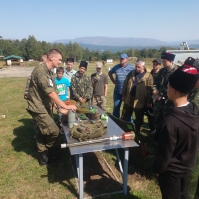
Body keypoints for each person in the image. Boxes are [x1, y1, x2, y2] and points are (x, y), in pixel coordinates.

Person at [153, 63, 199, 199]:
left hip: (171, 172)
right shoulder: (195, 111)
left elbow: (164, 154)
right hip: (189, 167)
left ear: (173, 91)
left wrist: (157, 170)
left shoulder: (171, 122)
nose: (166, 89)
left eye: (167, 87)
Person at [26, 49, 76, 166]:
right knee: (54, 131)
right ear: (51, 57)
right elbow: (50, 93)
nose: (60, 62)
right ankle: (47, 149)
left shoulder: (48, 72)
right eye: (59, 59)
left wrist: (59, 107)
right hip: (38, 107)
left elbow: (54, 91)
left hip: (45, 105)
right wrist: (65, 106)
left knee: (40, 131)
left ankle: (43, 157)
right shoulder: (41, 71)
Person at [121, 59, 153, 133]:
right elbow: (125, 84)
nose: (137, 68)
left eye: (139, 67)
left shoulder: (148, 76)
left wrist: (149, 101)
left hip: (140, 100)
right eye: (136, 66)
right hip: (129, 99)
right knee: (124, 116)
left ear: (143, 66)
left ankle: (137, 132)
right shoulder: (131, 73)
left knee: (139, 119)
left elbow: (150, 90)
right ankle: (123, 130)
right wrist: (124, 95)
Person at [153, 52, 177, 130]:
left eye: (165, 61)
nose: (163, 63)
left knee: (167, 119)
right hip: (159, 100)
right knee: (157, 116)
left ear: (171, 61)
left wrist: (160, 93)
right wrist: (155, 91)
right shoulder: (162, 71)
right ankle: (157, 133)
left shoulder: (176, 72)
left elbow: (175, 88)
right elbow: (155, 83)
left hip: (170, 100)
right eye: (162, 61)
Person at [108, 53, 135, 118]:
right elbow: (110, 73)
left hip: (127, 92)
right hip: (117, 91)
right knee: (116, 107)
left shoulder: (131, 67)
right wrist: (113, 81)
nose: (121, 60)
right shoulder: (116, 67)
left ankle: (128, 122)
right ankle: (116, 121)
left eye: (123, 58)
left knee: (128, 108)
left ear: (127, 59)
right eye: (120, 58)